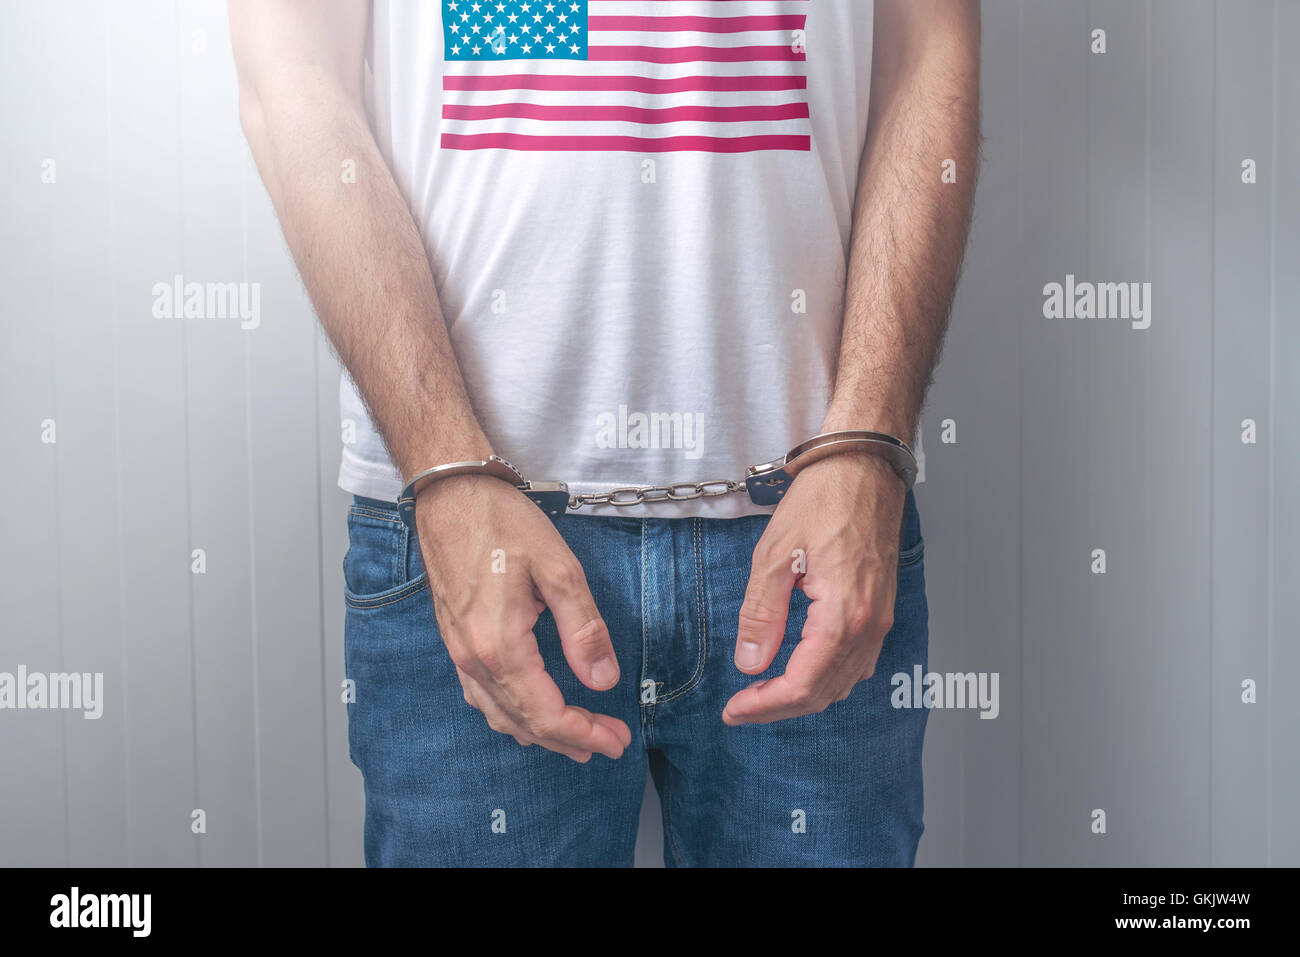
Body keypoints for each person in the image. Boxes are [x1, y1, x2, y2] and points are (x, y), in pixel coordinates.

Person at [230, 0, 979, 867]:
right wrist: (445, 470)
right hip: (469, 523)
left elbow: (930, 48)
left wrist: (868, 446)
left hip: (817, 518)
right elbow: (289, 72)